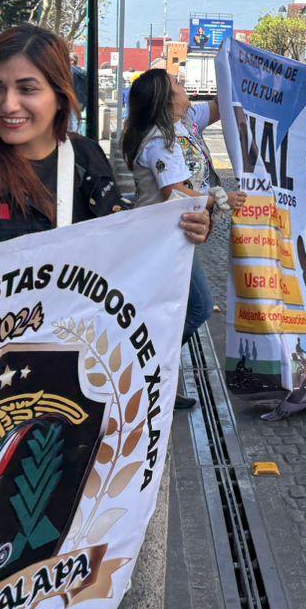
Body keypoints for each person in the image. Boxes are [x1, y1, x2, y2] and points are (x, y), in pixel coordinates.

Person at [0, 24, 210, 265]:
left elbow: (119, 245)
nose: (8, 105)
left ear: (60, 96)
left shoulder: (85, 157)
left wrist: (183, 228)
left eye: (27, 89)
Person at [122, 69, 243, 408]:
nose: (184, 83)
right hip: (160, 237)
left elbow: (220, 106)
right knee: (199, 307)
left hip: (179, 232)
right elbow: (174, 192)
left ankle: (159, 383)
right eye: (176, 83)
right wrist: (219, 198)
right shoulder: (160, 139)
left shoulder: (186, 119)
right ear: (165, 97)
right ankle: (147, 375)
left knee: (173, 309)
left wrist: (232, 63)